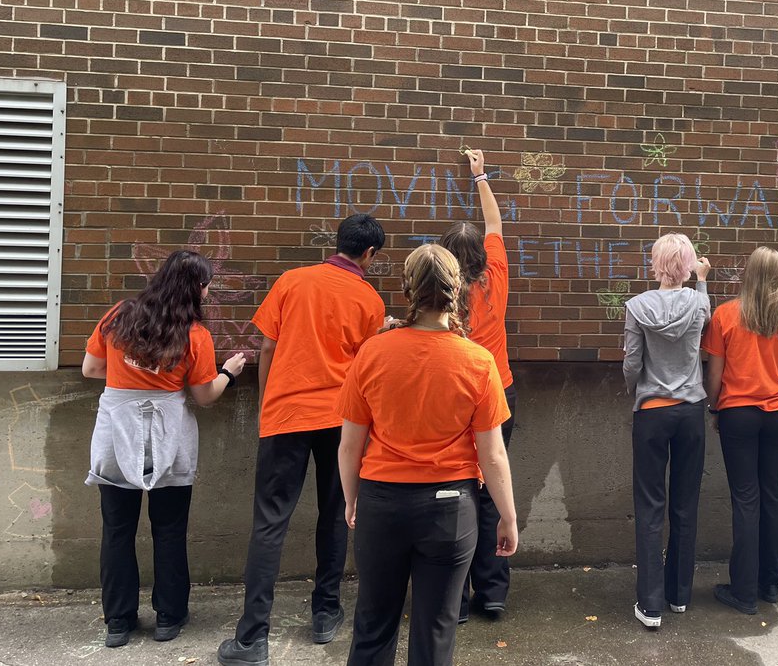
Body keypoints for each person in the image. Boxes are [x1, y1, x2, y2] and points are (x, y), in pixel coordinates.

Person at [219, 215, 388, 666]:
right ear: (369, 254)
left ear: (338, 243)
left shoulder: (291, 281)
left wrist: (267, 404)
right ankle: (326, 613)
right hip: (341, 422)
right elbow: (368, 368)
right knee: (335, 515)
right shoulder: (370, 299)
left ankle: (252, 638)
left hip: (286, 416)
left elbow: (268, 348)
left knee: (270, 522)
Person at [337, 243, 517, 666]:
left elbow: (350, 444)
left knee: (372, 625)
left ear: (407, 290)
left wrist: (351, 499)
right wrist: (507, 517)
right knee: (436, 630)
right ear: (458, 289)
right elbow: (492, 456)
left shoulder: (373, 352)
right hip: (451, 509)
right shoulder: (477, 360)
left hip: (382, 502)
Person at [82, 250, 247, 648]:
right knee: (169, 530)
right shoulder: (194, 335)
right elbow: (205, 396)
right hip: (168, 436)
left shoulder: (119, 315)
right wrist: (229, 372)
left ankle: (118, 623)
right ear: (195, 289)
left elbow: (90, 368)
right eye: (206, 285)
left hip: (116, 433)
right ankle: (169, 618)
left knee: (117, 531)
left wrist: (128, 374)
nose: (208, 292)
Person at [702, 246, 778, 615]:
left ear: (748, 274)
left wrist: (714, 407)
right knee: (773, 495)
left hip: (739, 414)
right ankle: (771, 583)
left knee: (746, 499)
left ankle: (743, 591)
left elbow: (714, 374)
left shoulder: (726, 315)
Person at [438, 148, 515, 623]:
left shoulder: (440, 294)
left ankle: (454, 594)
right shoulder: (497, 278)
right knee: (491, 494)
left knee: (455, 493)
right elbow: (494, 225)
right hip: (498, 393)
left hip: (451, 399)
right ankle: (493, 592)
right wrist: (481, 176)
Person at [623, 233, 711, 630]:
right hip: (691, 410)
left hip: (652, 410)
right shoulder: (698, 302)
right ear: (689, 265)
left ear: (656, 263)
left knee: (650, 505)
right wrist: (703, 279)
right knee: (685, 502)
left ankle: (650, 603)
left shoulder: (637, 306)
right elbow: (703, 314)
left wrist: (638, 391)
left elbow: (631, 363)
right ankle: (679, 594)